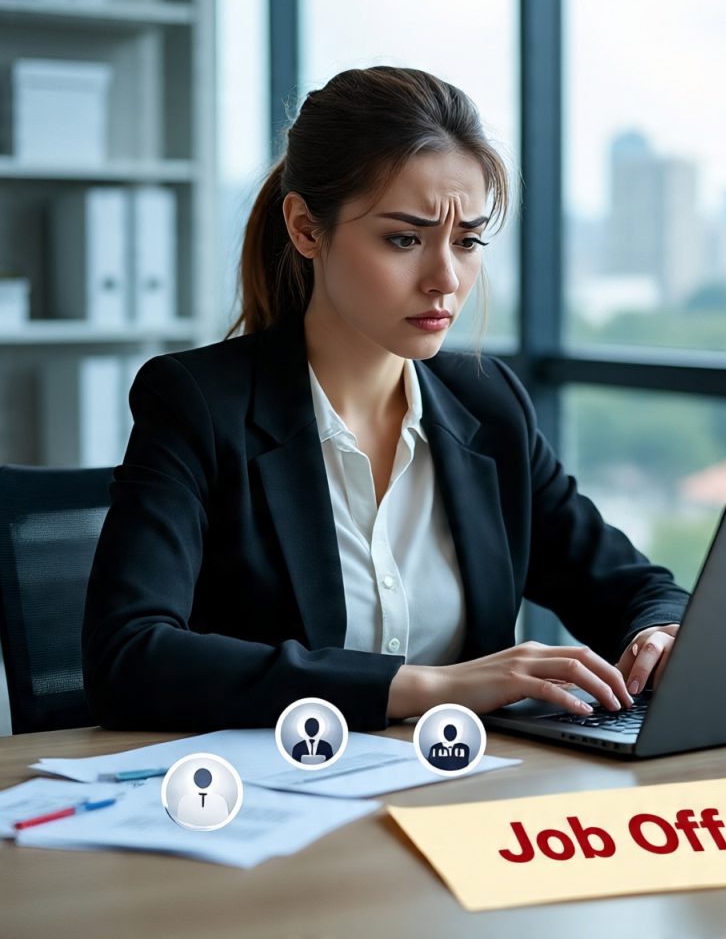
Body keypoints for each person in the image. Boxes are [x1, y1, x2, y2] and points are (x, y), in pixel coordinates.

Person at [81, 66, 690, 734]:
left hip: (461, 790)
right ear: (307, 230)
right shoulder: (198, 403)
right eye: (404, 239)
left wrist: (661, 632)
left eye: (466, 242)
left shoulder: (486, 406)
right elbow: (130, 658)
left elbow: (634, 586)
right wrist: (427, 687)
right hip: (269, 798)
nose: (445, 280)